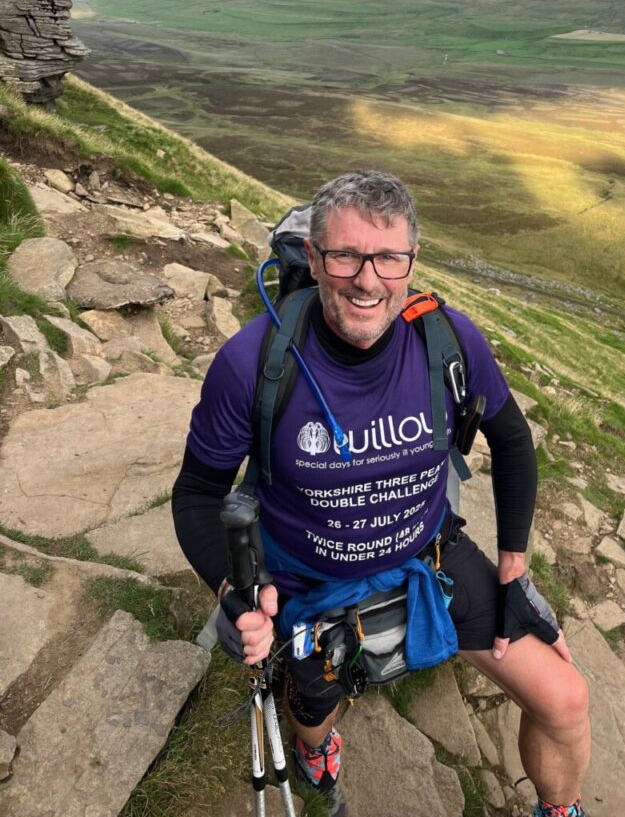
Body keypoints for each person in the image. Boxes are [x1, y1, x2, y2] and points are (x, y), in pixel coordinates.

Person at [173, 170, 590, 817]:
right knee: (313, 713)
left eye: (388, 258)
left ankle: (560, 811)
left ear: (411, 262)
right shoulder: (252, 363)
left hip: (430, 557)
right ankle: (315, 744)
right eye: (345, 256)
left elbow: (512, 441)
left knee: (566, 701)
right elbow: (198, 492)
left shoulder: (447, 341)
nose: (368, 280)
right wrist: (234, 591)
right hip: (305, 578)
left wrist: (513, 567)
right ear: (313, 259)